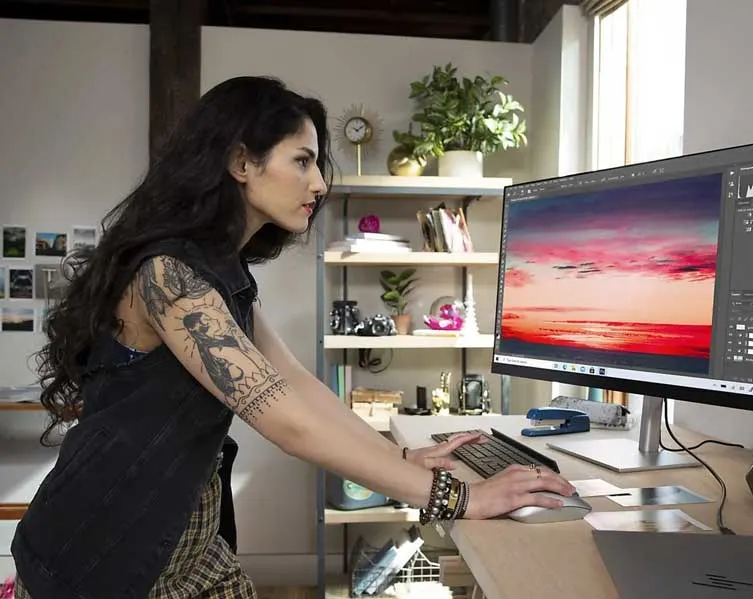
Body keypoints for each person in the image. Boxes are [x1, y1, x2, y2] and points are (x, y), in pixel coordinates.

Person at [10, 76, 574, 599]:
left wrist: (396, 453)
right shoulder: (168, 275)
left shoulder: (220, 272)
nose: (320, 183)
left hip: (187, 544)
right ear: (240, 163)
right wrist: (459, 497)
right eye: (301, 161)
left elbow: (295, 386)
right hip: (103, 552)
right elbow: (285, 420)